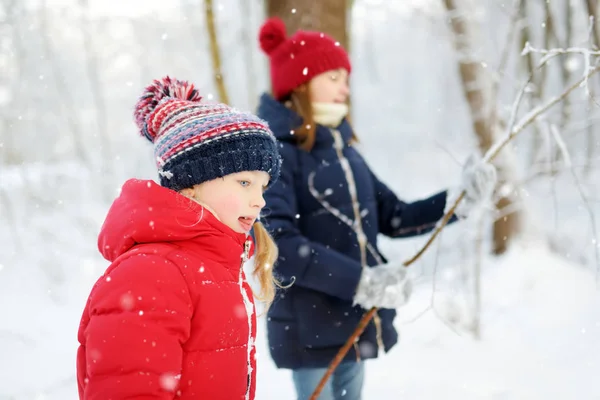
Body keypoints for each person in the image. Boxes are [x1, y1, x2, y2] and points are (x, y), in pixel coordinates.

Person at [256, 17, 497, 400]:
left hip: (352, 325)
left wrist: (459, 201)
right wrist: (363, 281)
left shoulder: (345, 151)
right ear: (300, 81)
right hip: (310, 329)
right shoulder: (276, 155)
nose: (344, 88)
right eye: (333, 77)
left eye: (345, 78)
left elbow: (395, 216)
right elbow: (281, 248)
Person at [76, 76, 282, 400]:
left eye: (263, 186)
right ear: (193, 183)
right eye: (244, 182)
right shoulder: (151, 273)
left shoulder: (215, 264)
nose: (260, 200)